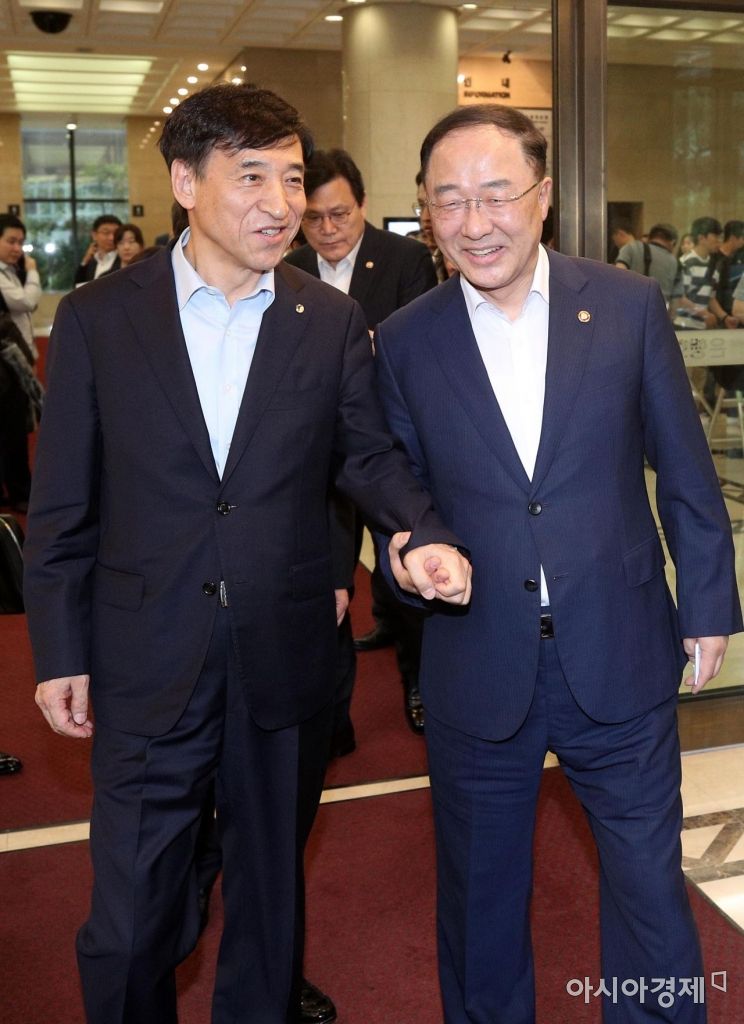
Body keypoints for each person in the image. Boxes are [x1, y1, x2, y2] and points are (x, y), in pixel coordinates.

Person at [23, 82, 470, 1024]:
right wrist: (59, 650)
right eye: (253, 176)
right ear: (186, 182)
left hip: (285, 652)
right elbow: (62, 504)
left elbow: (365, 454)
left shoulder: (327, 320)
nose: (282, 203)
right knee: (132, 915)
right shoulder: (101, 319)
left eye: (294, 178)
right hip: (148, 656)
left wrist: (420, 528)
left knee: (270, 903)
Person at [374, 103, 742, 1023]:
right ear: (426, 210)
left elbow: (685, 468)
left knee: (649, 891)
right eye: (449, 200)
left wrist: (708, 603)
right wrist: (408, 555)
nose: (474, 222)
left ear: (544, 197)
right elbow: (397, 492)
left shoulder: (625, 305)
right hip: (476, 656)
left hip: (618, 645)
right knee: (479, 900)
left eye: (497, 194)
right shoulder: (406, 338)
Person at [286, 148, 439, 741]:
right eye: (314, 218)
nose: (327, 229)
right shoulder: (288, 264)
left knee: (402, 563)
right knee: (325, 575)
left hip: (384, 445)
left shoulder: (403, 258)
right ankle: (332, 714)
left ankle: (419, 681)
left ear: (363, 205)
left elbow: (418, 349)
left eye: (340, 214)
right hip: (314, 448)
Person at [0, 213, 41, 512]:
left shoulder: (10, 271)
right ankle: (20, 492)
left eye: (21, 243)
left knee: (14, 428)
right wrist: (33, 271)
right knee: (12, 430)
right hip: (6, 367)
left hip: (16, 362)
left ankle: (16, 489)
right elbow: (28, 302)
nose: (17, 249)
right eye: (11, 241)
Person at [614, 221, 680, 302]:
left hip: (630, 303)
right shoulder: (675, 262)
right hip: (659, 307)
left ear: (650, 237)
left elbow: (618, 276)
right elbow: (677, 300)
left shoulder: (631, 248)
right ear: (672, 242)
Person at [73, 214, 122, 284]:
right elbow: (78, 285)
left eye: (116, 233)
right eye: (106, 233)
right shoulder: (90, 261)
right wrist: (85, 261)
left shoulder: (124, 260)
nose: (112, 238)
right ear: (94, 235)